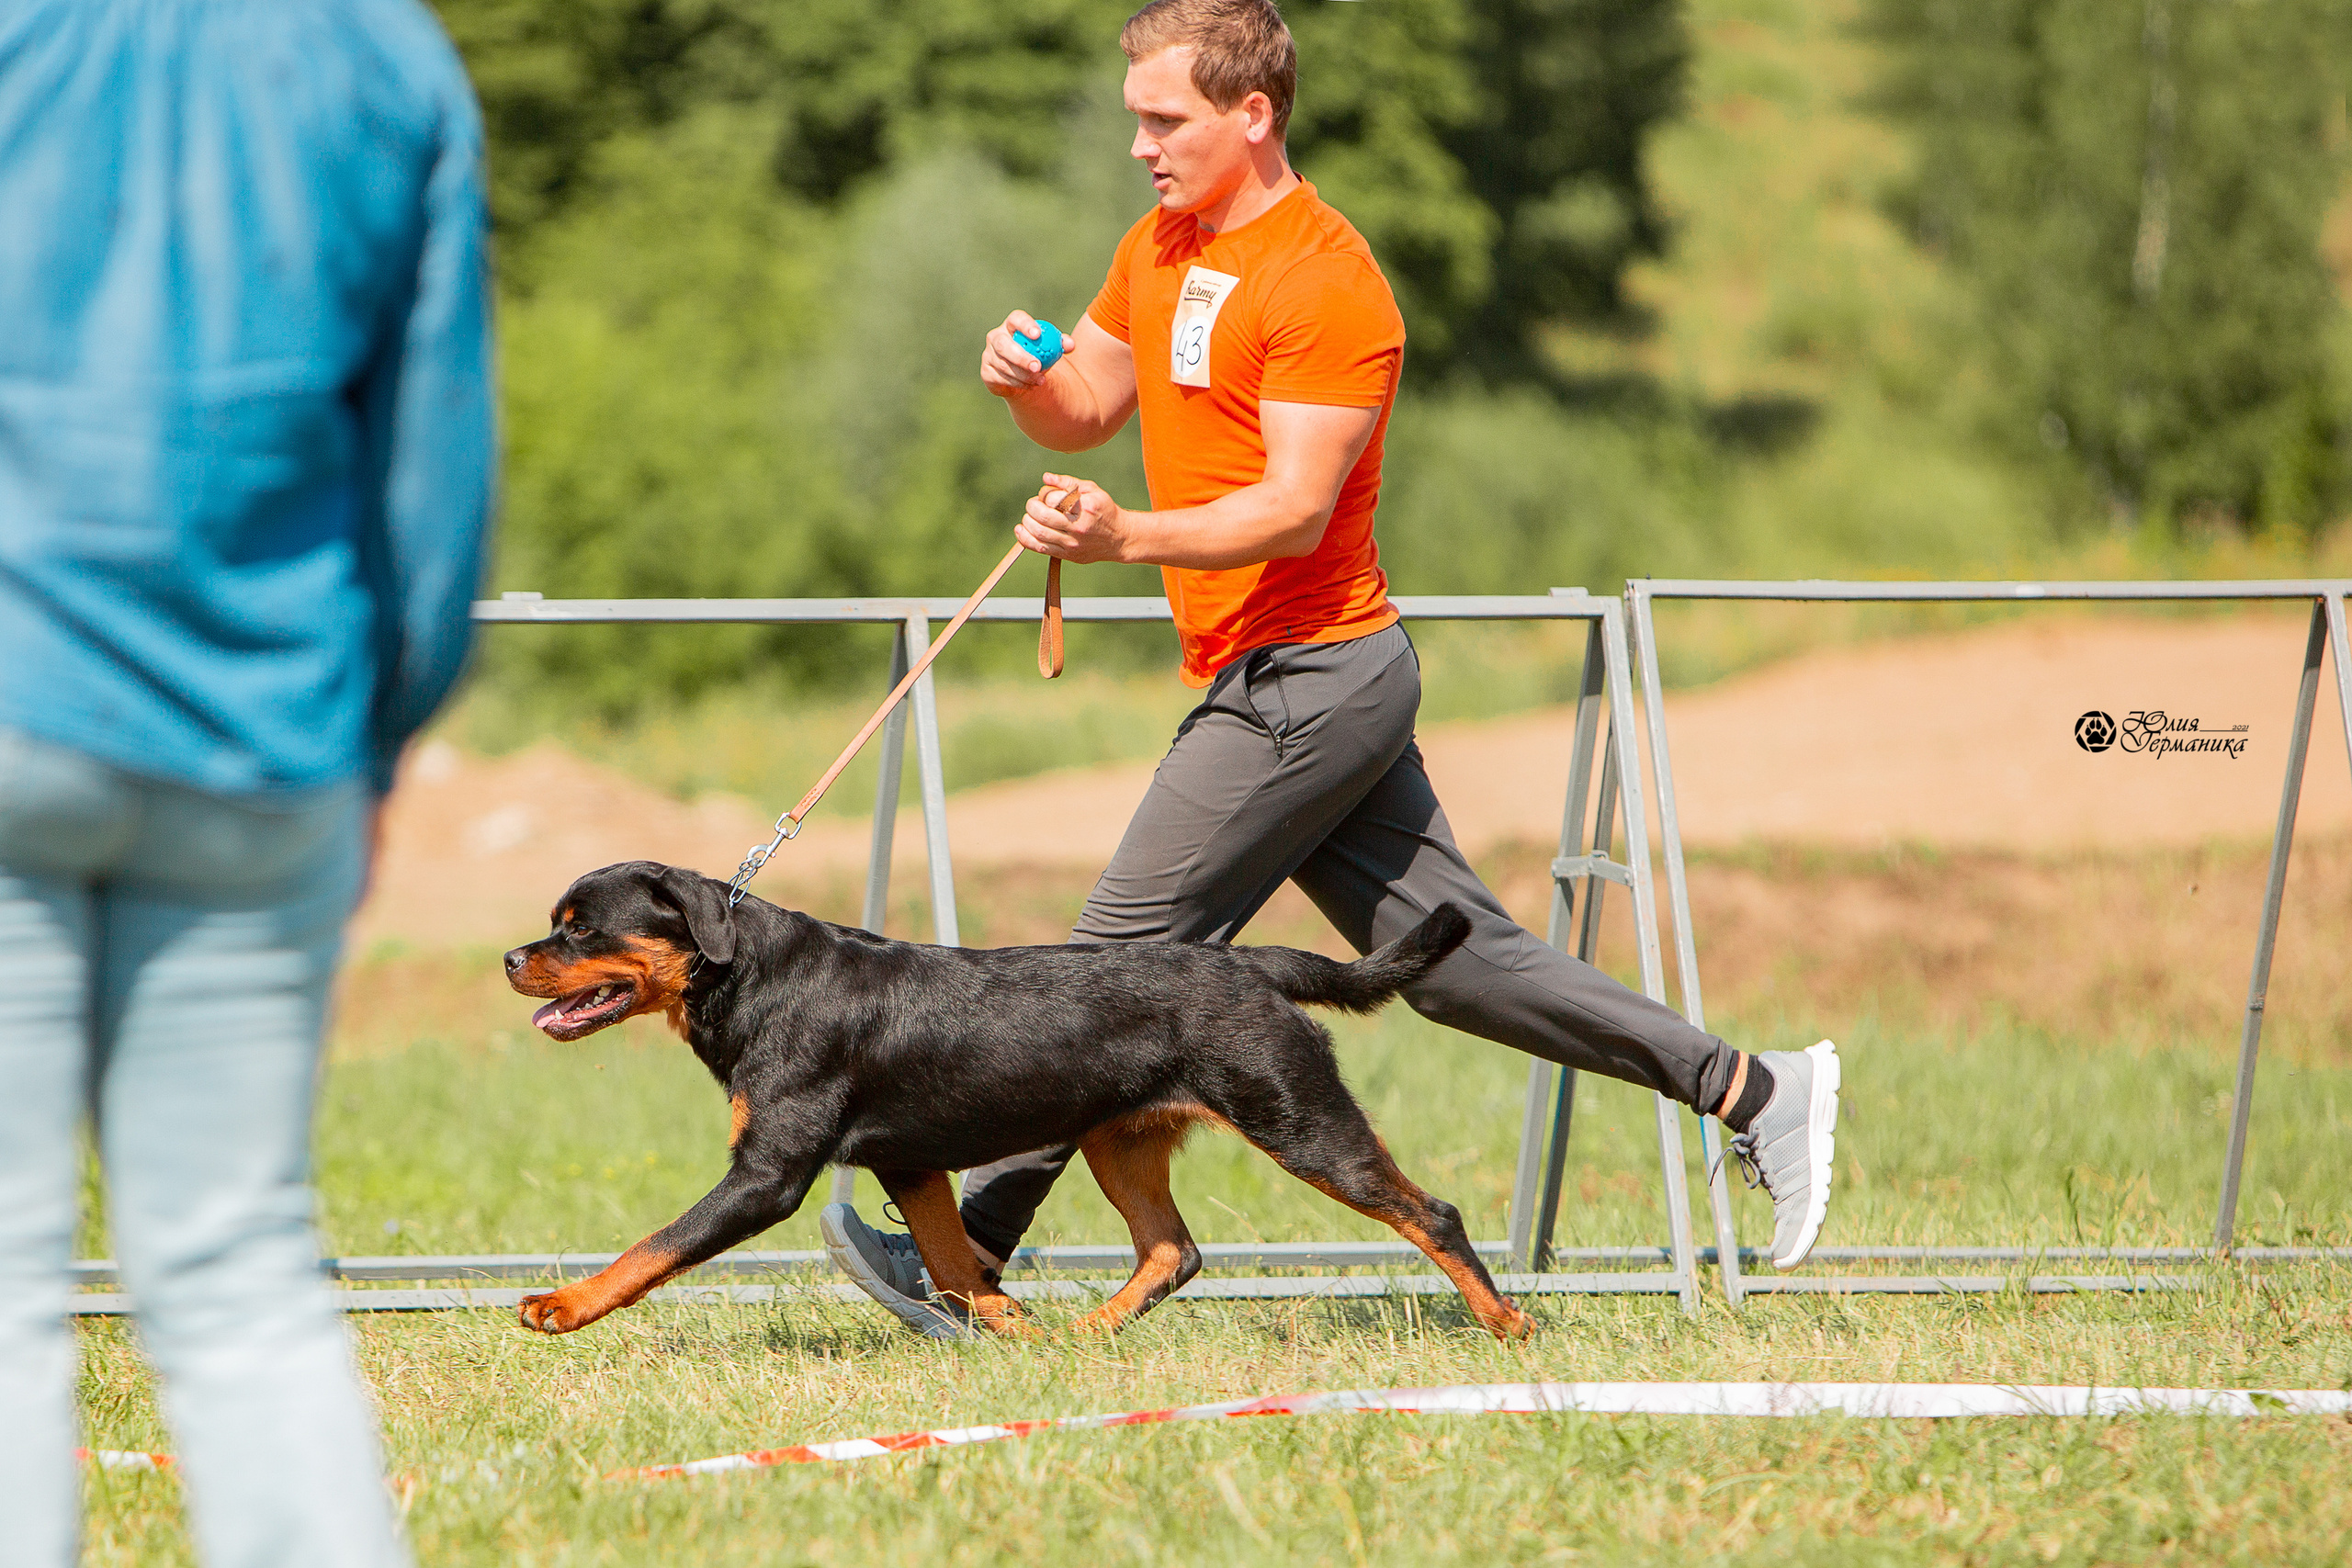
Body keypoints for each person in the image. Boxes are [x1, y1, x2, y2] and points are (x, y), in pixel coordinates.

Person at [821, 0, 1838, 1337]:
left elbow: (1296, 508)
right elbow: (1087, 407)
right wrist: (1022, 383)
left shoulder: (1327, 281)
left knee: (1109, 965)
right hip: (1281, 681)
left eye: (1165, 120)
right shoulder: (1160, 246)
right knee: (1460, 968)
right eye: (1136, 120)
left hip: (1310, 684)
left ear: (1252, 114)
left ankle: (962, 1254)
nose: (1141, 145)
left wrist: (1125, 536)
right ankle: (1756, 1091)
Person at [0, 2, 494, 1562]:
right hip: (265, 732)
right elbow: (434, 463)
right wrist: (380, 739)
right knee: (239, 1272)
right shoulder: (386, 54)